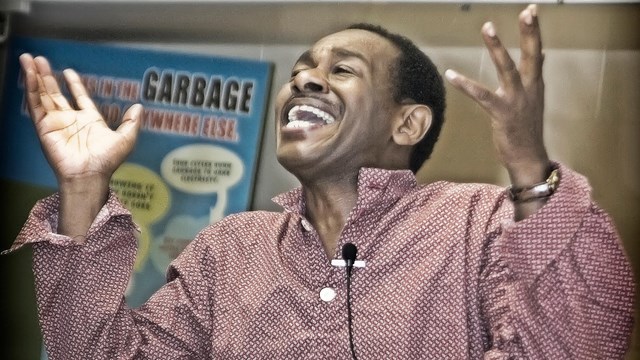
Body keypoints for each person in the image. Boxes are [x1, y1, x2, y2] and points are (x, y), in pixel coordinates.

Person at [6, 4, 635, 359]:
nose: (304, 80)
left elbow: (580, 342)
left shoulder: (481, 222)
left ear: (408, 121)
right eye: (302, 70)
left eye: (342, 69)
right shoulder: (230, 252)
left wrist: (528, 168)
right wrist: (85, 188)